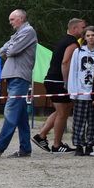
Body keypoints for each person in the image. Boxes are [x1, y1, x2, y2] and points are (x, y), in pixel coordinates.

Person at [0, 9, 37, 158]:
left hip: (19, 76)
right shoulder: (17, 35)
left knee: (11, 111)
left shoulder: (28, 31)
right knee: (21, 115)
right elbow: (1, 52)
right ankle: (25, 149)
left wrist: (11, 45)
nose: (10, 23)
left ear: (21, 19)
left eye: (12, 19)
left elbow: (11, 51)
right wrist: (12, 44)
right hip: (13, 76)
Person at [33, 17, 85, 153]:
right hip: (58, 81)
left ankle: (41, 135)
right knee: (63, 113)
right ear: (74, 28)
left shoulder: (63, 40)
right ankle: (57, 145)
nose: (84, 30)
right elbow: (65, 62)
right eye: (83, 28)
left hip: (52, 79)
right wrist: (67, 82)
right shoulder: (72, 43)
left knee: (62, 111)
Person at [66, 26, 94, 156]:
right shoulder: (78, 52)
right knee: (78, 121)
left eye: (93, 35)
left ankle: (90, 144)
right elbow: (74, 71)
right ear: (84, 37)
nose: (90, 38)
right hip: (81, 92)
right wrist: (73, 91)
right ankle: (78, 145)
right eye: (88, 36)